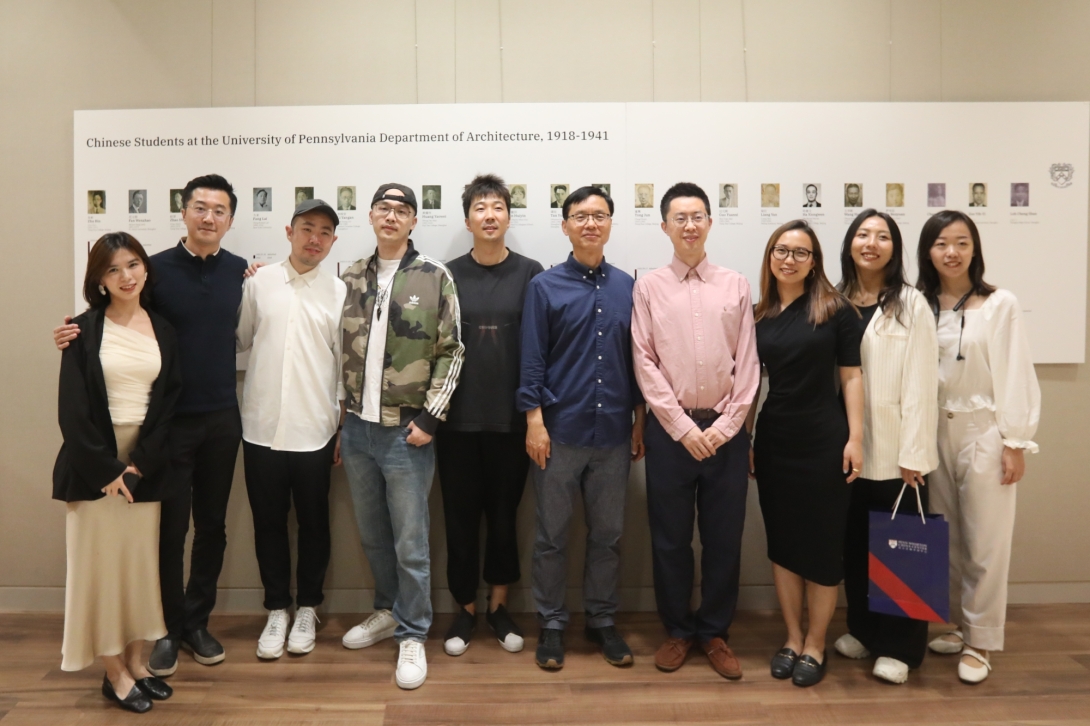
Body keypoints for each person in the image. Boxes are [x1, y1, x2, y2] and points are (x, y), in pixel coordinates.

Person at [55, 174, 249, 677]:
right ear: (184, 212)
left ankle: (198, 621)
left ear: (230, 219)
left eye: (220, 210)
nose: (209, 217)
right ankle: (167, 627)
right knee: (167, 530)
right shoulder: (153, 270)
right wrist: (70, 332)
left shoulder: (238, 272)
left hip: (223, 416)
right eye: (200, 208)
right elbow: (113, 316)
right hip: (167, 427)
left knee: (212, 526)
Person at [338, 183, 464, 690]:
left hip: (406, 430)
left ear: (413, 221)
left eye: (402, 210)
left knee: (411, 540)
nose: (391, 216)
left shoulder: (435, 276)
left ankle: (413, 631)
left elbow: (451, 350)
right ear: (370, 216)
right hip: (356, 429)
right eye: (384, 208)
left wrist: (431, 418)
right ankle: (387, 610)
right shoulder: (348, 276)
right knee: (373, 535)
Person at [631, 183, 759, 679]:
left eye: (698, 216)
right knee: (670, 538)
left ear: (710, 223)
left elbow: (748, 365)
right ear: (664, 226)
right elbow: (644, 362)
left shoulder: (737, 284)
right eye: (679, 217)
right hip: (670, 431)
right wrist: (683, 428)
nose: (689, 225)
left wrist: (726, 428)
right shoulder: (648, 287)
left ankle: (714, 631)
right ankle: (679, 630)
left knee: (724, 538)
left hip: (726, 431)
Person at [518, 185, 646, 671]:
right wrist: (534, 421)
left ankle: (601, 619)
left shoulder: (629, 288)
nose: (591, 223)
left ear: (611, 223)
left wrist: (638, 422)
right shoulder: (544, 287)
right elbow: (531, 361)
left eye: (600, 215)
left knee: (608, 535)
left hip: (614, 434)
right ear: (566, 225)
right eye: (580, 216)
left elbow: (637, 362)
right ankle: (551, 624)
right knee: (551, 535)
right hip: (558, 432)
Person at [55, 232, 182, 713]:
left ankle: (137, 664)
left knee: (137, 571)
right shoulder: (82, 330)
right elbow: (73, 411)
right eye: (113, 269)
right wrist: (110, 470)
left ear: (145, 268)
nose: (126, 276)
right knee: (99, 574)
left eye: (133, 264)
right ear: (99, 280)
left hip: (144, 464)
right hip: (96, 468)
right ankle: (113, 672)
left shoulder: (163, 329)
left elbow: (168, 403)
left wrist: (139, 465)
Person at [916, 210, 1040, 684]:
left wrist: (1014, 442)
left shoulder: (998, 303)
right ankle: (956, 625)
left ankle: (982, 641)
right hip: (931, 430)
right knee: (944, 535)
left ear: (975, 249)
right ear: (928, 251)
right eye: (942, 243)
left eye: (962, 242)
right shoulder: (920, 304)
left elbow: (1015, 373)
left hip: (983, 429)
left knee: (986, 540)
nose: (952, 252)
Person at [749, 219, 863, 688]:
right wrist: (751, 437)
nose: (789, 259)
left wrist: (856, 438)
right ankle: (792, 636)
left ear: (814, 261)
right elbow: (752, 384)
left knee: (820, 546)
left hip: (824, 441)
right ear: (770, 256)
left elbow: (851, 377)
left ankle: (816, 642)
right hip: (776, 440)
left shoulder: (837, 311)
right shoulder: (759, 314)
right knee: (783, 544)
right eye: (781, 250)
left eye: (800, 252)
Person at [438, 174, 543, 657]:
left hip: (511, 421)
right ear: (467, 220)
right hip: (455, 422)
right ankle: (465, 609)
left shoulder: (531, 273)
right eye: (480, 207)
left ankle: (500, 607)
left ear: (508, 216)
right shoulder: (446, 273)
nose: (489, 214)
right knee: (459, 520)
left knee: (504, 519)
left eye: (497, 206)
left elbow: (539, 349)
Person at [832, 209, 939, 684]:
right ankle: (864, 629)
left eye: (882, 236)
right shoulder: (834, 300)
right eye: (862, 234)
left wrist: (914, 454)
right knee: (856, 547)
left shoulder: (911, 304)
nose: (870, 243)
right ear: (849, 243)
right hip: (845, 448)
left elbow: (922, 384)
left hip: (897, 452)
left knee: (902, 550)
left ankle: (901, 647)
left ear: (895, 247)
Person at [237, 199, 347, 660]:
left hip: (315, 429)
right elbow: (241, 338)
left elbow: (344, 363)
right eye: (306, 228)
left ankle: (308, 607)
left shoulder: (340, 291)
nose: (314, 239)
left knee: (315, 523)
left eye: (324, 232)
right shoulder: (258, 283)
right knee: (268, 523)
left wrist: (341, 425)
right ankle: (276, 608)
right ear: (289, 231)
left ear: (333, 241)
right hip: (260, 425)